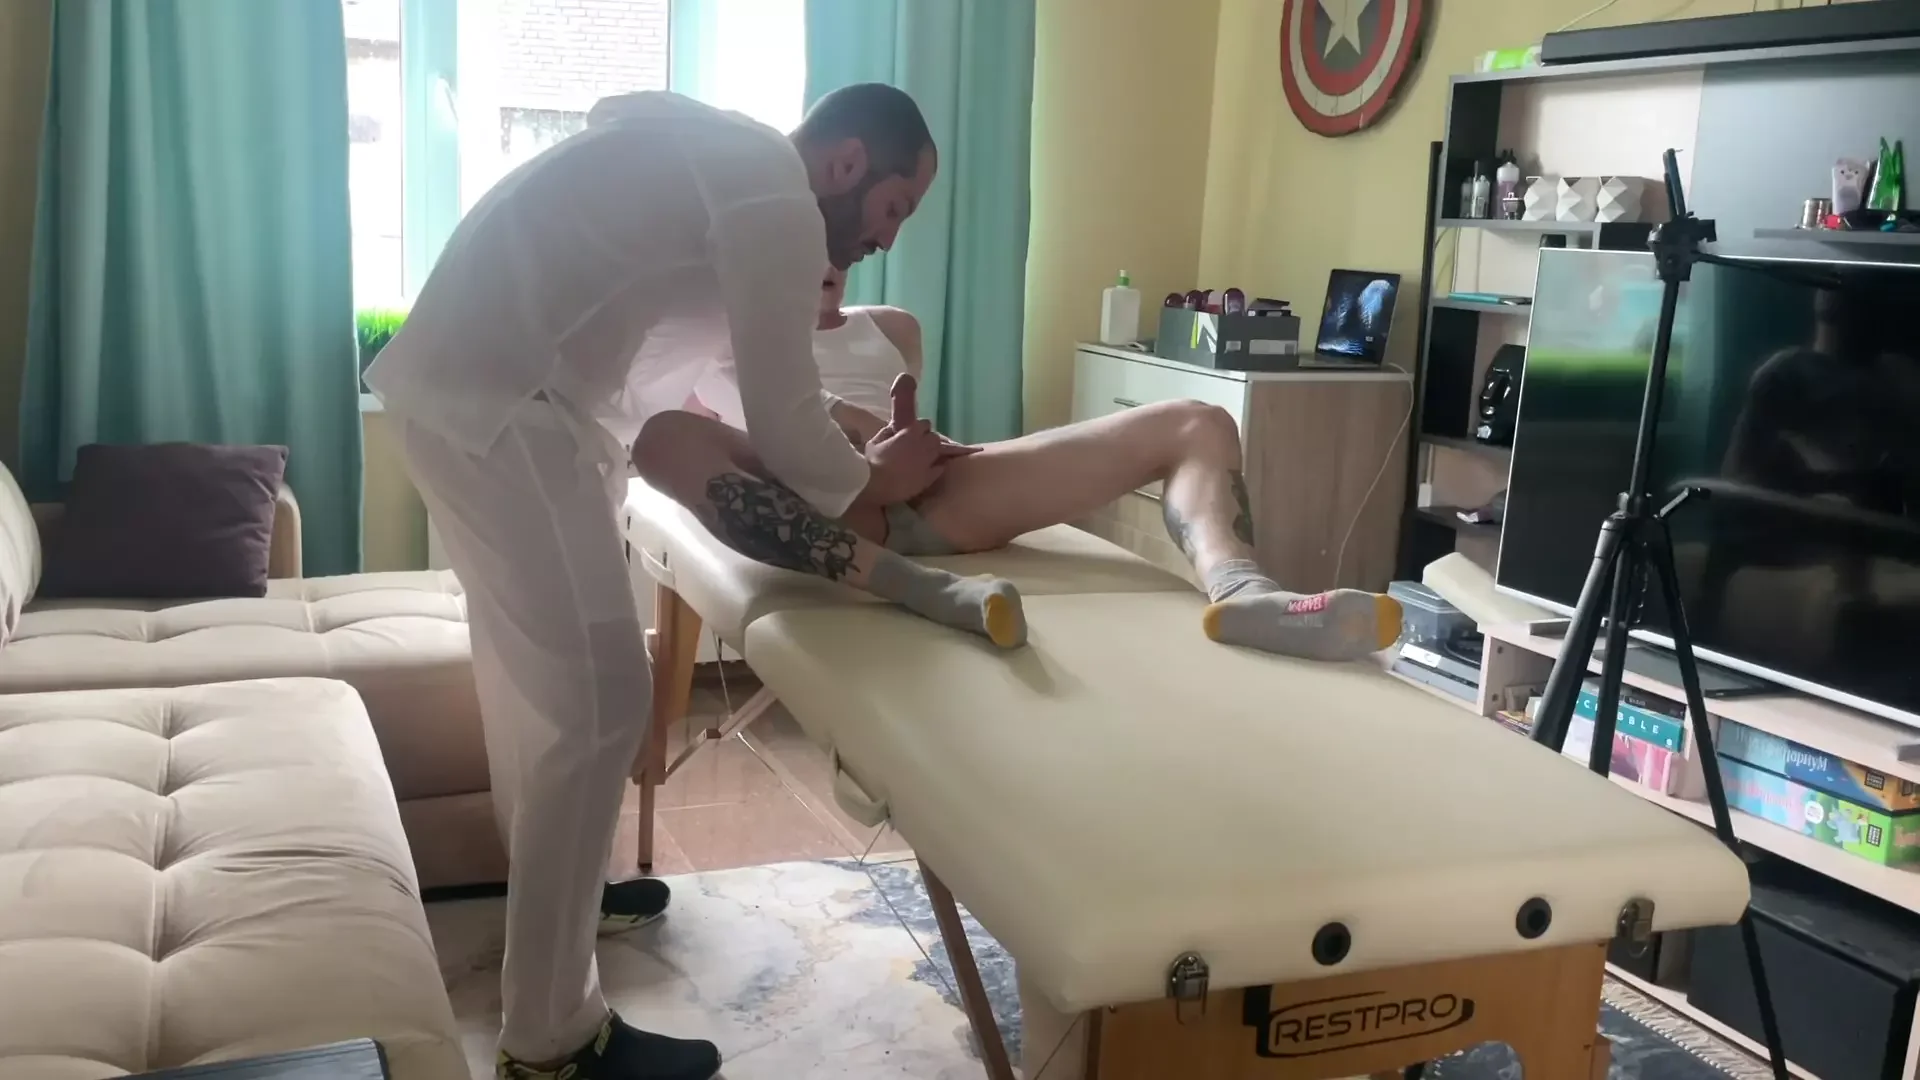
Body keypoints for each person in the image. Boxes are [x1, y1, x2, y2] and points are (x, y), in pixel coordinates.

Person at [366, 85, 1024, 1080]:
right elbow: (782, 417)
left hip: (478, 401)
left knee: (538, 691)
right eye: (894, 207)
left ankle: (571, 902)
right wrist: (872, 480)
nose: (888, 238)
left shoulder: (720, 167)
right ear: (846, 163)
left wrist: (842, 441)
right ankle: (551, 1040)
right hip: (505, 415)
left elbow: (709, 380)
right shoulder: (772, 195)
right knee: (600, 704)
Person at [664, 266, 1404, 662]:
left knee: (1198, 420)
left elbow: (900, 420)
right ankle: (920, 589)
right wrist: (869, 459)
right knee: (664, 437)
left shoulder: (891, 326)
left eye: (844, 249)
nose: (832, 262)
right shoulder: (722, 335)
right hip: (823, 507)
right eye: (813, 245)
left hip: (933, 486)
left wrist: (911, 455)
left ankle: (1243, 592)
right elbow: (810, 423)